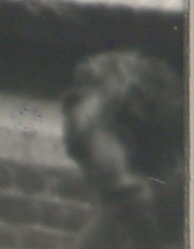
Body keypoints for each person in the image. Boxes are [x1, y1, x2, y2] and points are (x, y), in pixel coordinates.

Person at [61, 50, 185, 248]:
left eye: (121, 197)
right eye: (102, 196)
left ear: (173, 164)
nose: (109, 214)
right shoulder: (100, 240)